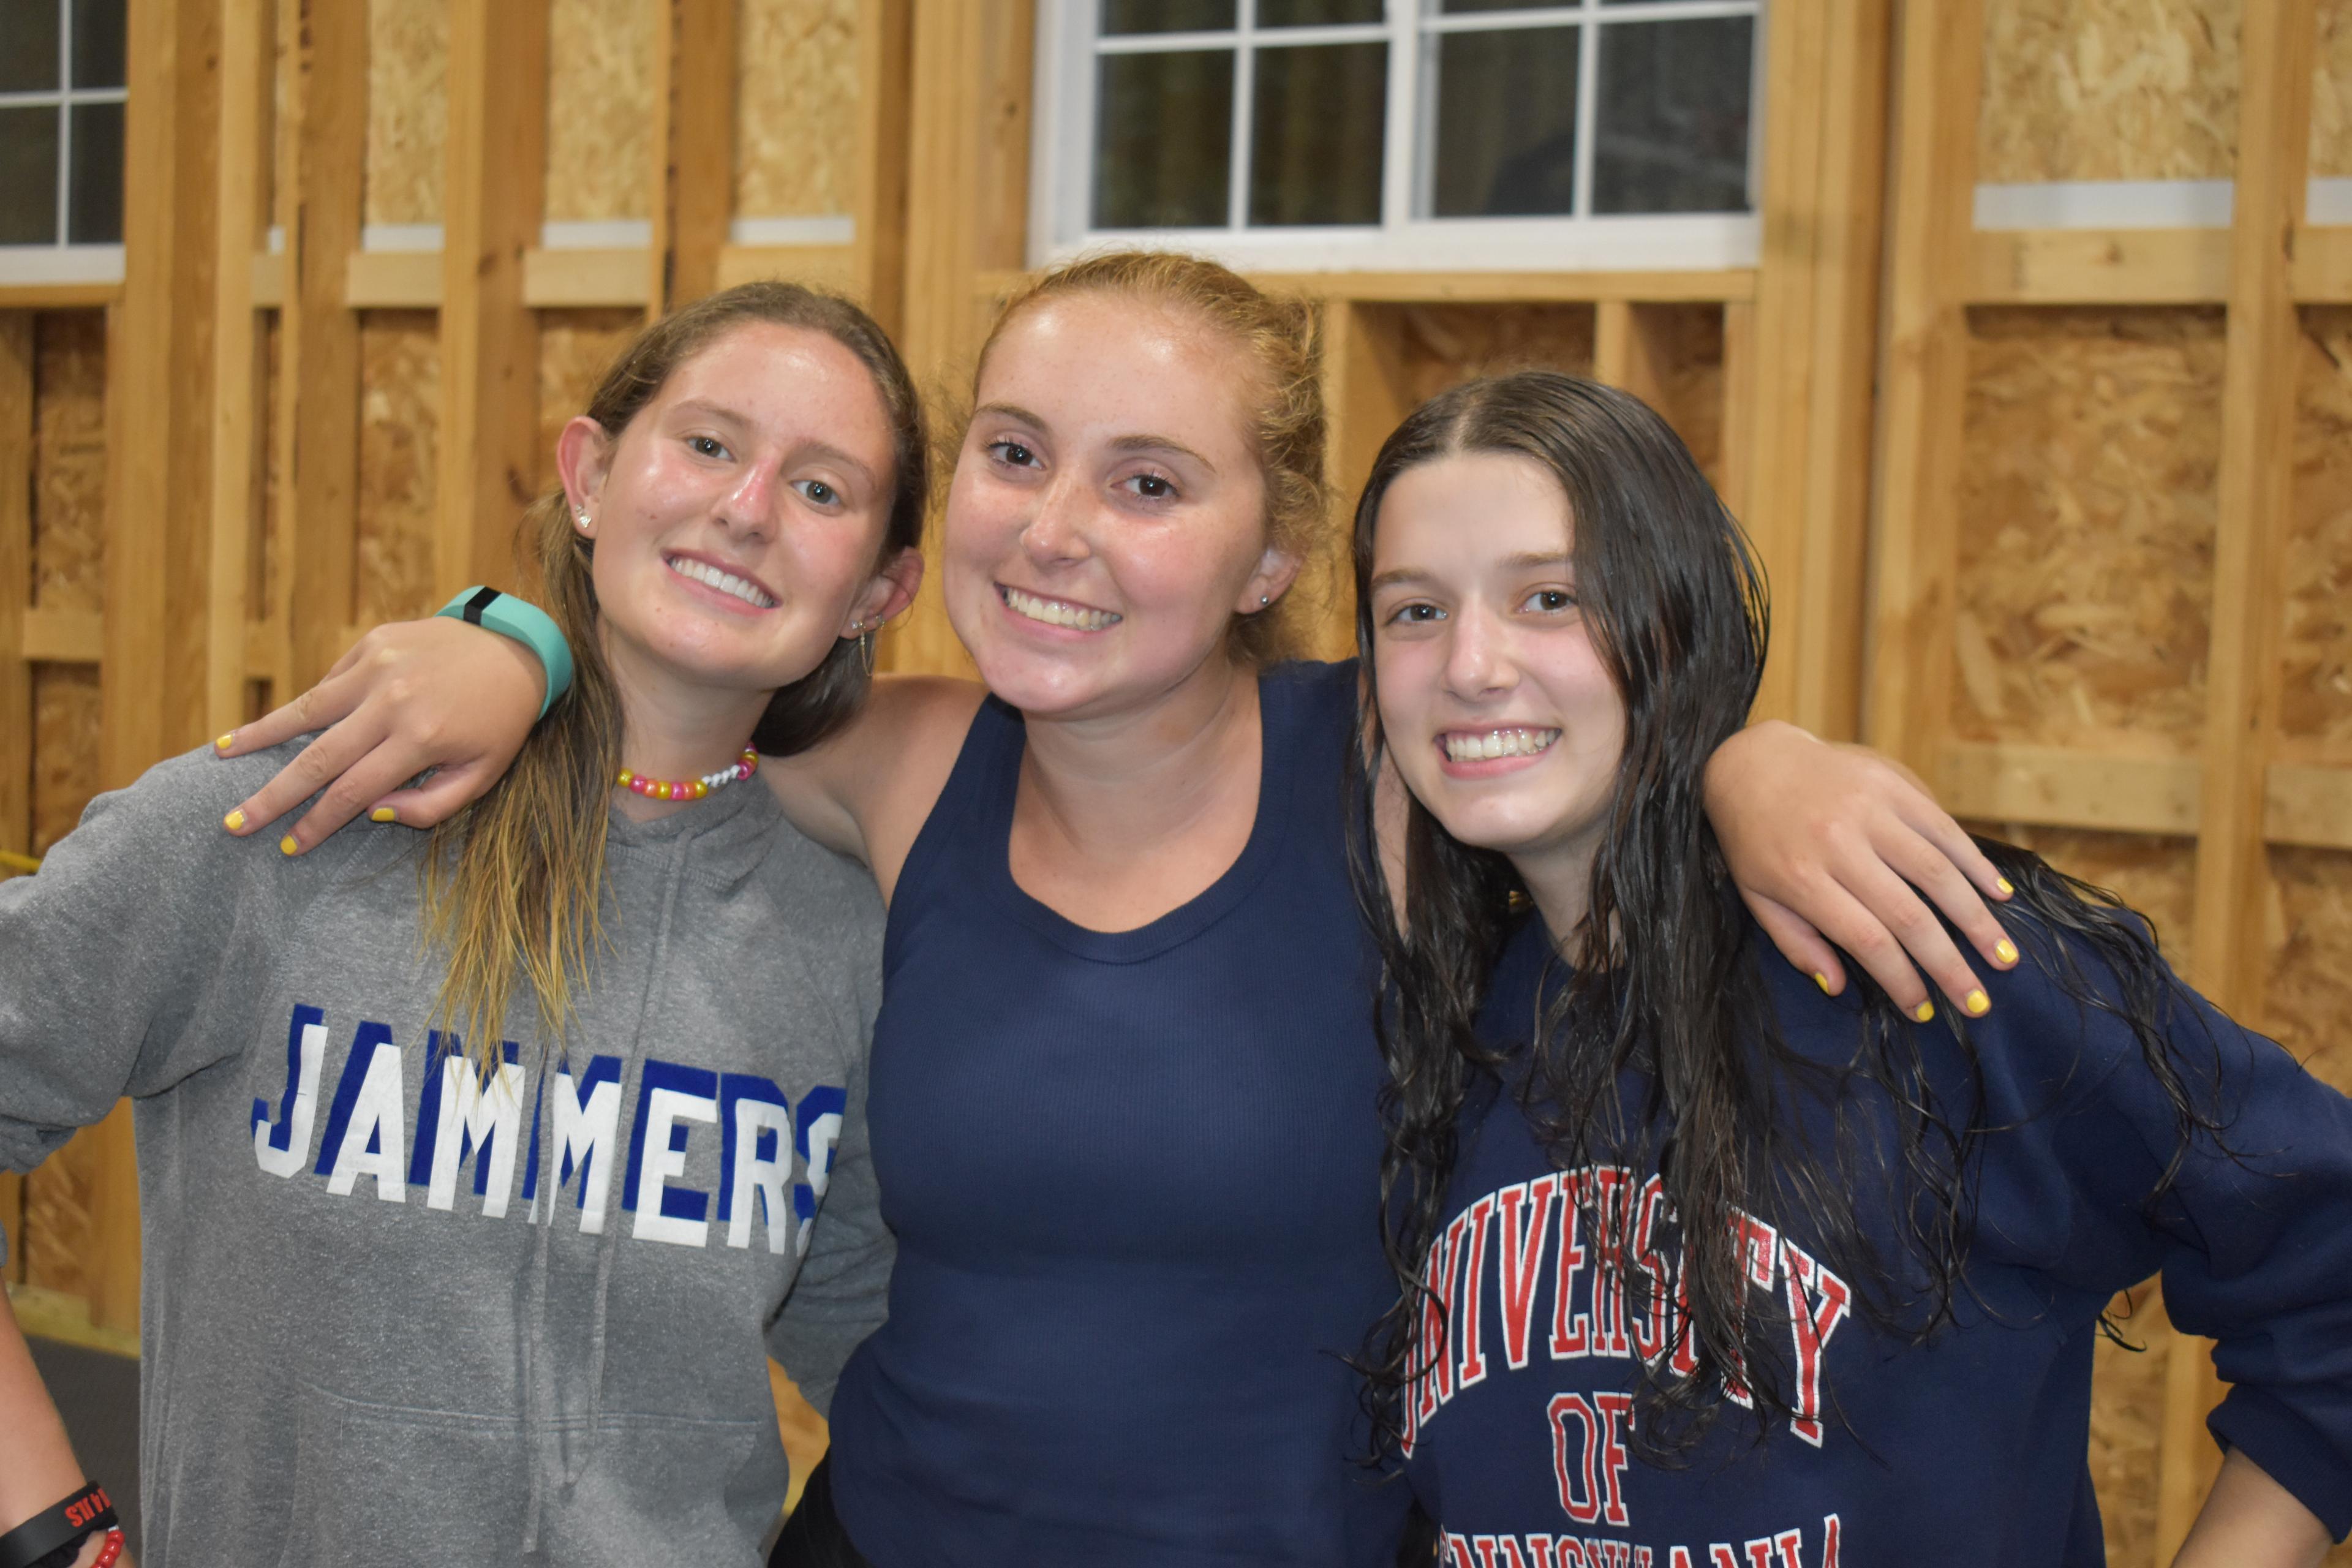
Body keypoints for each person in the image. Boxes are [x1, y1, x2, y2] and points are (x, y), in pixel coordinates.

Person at [212, 252, 2022, 1567]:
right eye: (1015, 454)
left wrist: (1752, 763)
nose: (1055, 527)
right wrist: (514, 639)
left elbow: (1577, 727)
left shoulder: (1389, 774)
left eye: (1148, 483)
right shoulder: (906, 766)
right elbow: (674, 658)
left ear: (1270, 555)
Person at [1349, 371, 2352, 1567]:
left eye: (1551, 597)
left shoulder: (1912, 952)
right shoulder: (1425, 1027)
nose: (1470, 663)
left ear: (1673, 620)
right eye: (1415, 610)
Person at [0, 281, 930, 1568]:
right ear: (590, 474)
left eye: (822, 488)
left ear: (879, 590)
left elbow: (900, 1365)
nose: (749, 507)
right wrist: (52, 1532)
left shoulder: (845, 941)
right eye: (710, 442)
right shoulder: (298, 816)